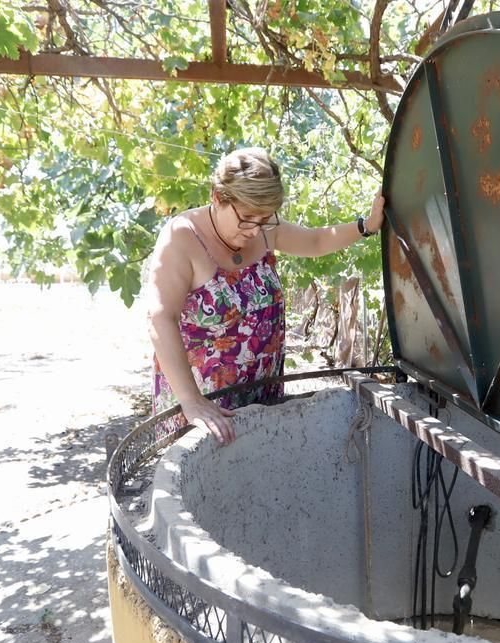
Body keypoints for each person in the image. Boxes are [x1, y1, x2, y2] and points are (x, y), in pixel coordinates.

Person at [147, 147, 385, 444]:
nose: (254, 230)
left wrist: (367, 226)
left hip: (261, 395)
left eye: (264, 219)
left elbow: (316, 240)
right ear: (218, 197)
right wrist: (192, 401)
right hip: (205, 407)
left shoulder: (261, 229)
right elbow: (160, 318)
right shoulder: (182, 237)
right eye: (247, 218)